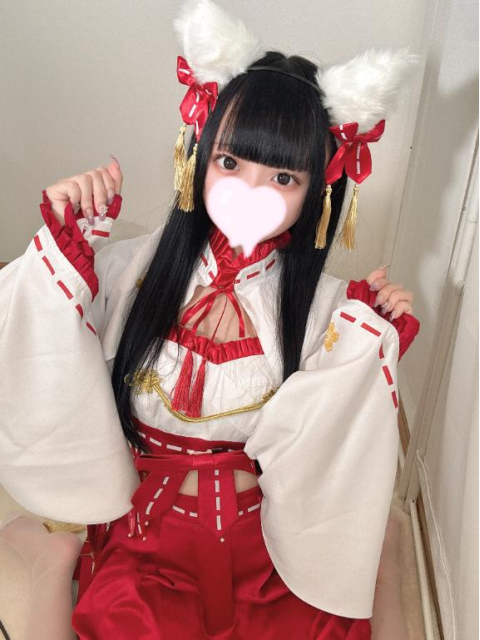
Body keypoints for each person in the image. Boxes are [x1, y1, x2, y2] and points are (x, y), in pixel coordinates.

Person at [0, 3, 420, 639]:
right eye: (230, 163)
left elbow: (327, 443)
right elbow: (46, 347)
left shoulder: (328, 307)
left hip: (264, 539)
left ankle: (381, 550)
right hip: (150, 531)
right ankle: (54, 560)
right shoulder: (133, 271)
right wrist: (62, 244)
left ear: (321, 188)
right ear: (196, 156)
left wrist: (369, 346)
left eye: (283, 175)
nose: (251, 191)